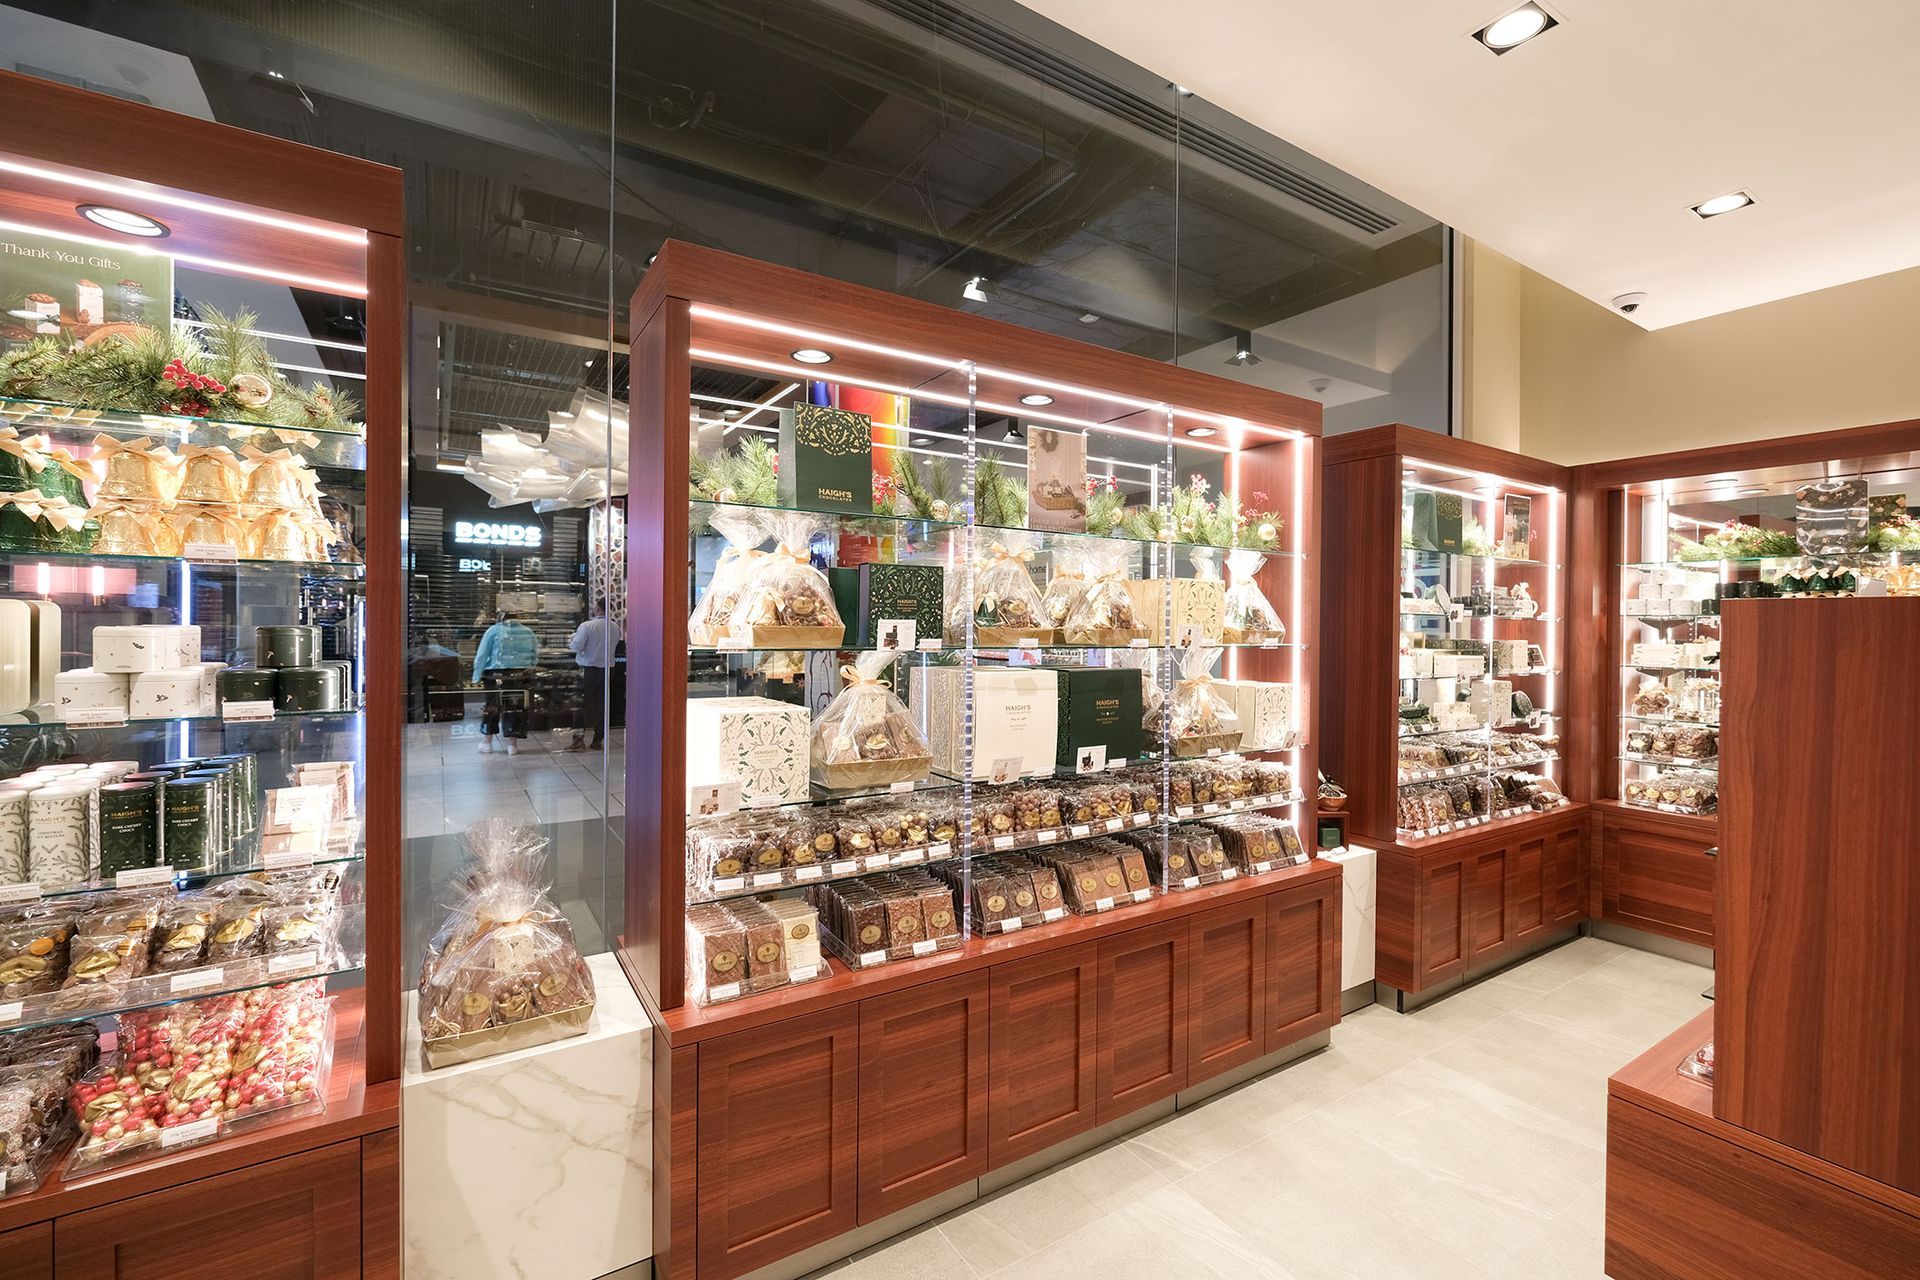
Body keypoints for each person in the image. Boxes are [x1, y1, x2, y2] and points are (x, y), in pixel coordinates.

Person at [472, 610, 539, 755]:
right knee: (515, 708)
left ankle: (487, 743)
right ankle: (512, 745)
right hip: (520, 675)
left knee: (492, 708)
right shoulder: (527, 632)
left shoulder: (493, 630)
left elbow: (482, 654)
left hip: (495, 674)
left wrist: (476, 676)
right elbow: (534, 655)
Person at [567, 600, 620, 751]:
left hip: (588, 670)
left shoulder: (586, 626)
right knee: (602, 706)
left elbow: (576, 647)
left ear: (597, 608)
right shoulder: (615, 627)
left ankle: (578, 740)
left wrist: (570, 640)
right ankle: (598, 740)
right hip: (608, 670)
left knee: (581, 705)